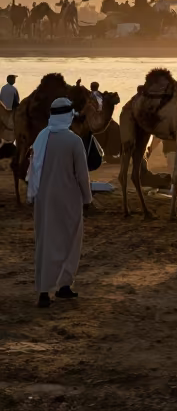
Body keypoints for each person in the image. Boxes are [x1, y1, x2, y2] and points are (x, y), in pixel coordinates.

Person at [28, 97, 92, 308]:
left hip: (43, 199)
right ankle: (64, 285)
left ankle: (44, 292)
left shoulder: (41, 138)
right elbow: (82, 175)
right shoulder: (73, 141)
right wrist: (88, 198)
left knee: (46, 242)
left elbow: (33, 170)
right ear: (68, 117)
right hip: (69, 199)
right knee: (70, 241)